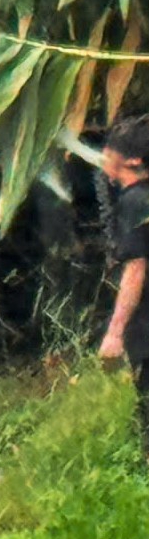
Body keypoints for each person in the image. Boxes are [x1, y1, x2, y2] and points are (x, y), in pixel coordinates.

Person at [102, 117, 149, 458]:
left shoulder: (134, 202)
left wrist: (115, 333)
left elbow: (135, 268)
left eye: (110, 151)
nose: (103, 155)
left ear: (132, 161)